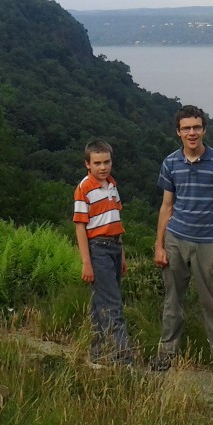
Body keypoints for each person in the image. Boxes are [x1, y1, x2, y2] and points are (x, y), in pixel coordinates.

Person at [151, 105, 213, 375]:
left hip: (208, 243)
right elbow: (167, 206)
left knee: (211, 301)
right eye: (186, 128)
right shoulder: (170, 163)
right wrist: (158, 245)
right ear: (178, 132)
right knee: (172, 300)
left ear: (204, 129)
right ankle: (166, 353)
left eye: (197, 127)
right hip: (175, 240)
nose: (192, 132)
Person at [73, 138, 135, 365]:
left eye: (106, 162)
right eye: (97, 163)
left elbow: (115, 219)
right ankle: (124, 360)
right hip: (97, 248)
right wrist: (86, 262)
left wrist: (123, 255)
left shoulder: (112, 185)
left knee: (101, 303)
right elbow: (80, 226)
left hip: (114, 247)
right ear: (88, 164)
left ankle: (97, 353)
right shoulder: (84, 188)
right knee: (112, 305)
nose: (103, 167)